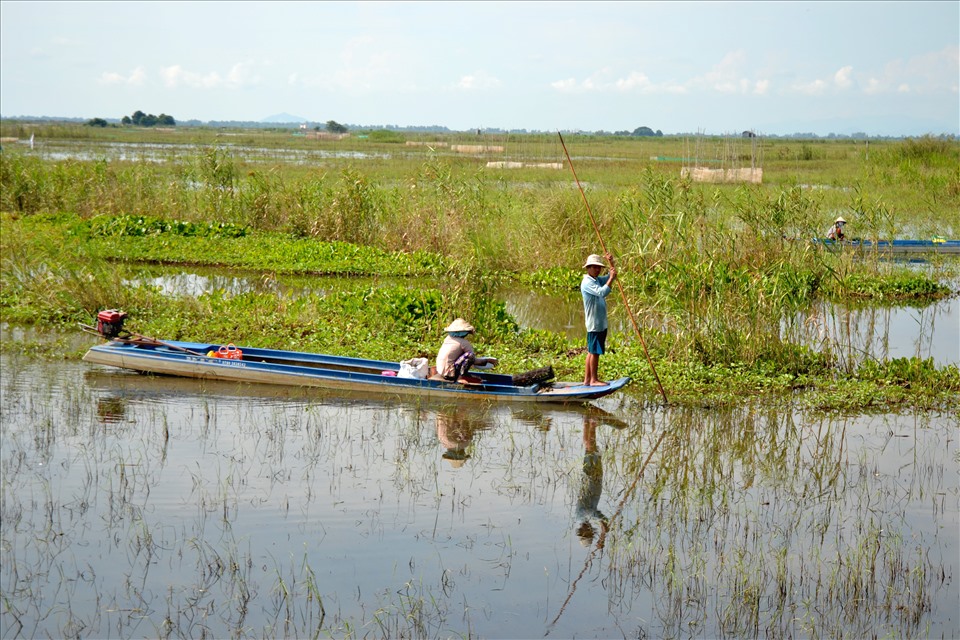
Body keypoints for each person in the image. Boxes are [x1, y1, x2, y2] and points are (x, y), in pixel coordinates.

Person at [580, 253, 617, 386]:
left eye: (599, 267)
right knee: (594, 352)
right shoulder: (587, 282)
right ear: (588, 268)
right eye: (594, 267)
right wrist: (611, 278)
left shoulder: (595, 279)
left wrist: (611, 263)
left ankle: (587, 380)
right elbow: (603, 292)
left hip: (599, 323)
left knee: (592, 351)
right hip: (594, 323)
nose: (597, 270)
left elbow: (611, 277)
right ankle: (593, 380)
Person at [434, 318, 499, 383]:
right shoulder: (464, 343)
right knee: (470, 355)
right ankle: (460, 377)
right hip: (449, 373)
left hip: (440, 370)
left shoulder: (447, 339)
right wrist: (488, 360)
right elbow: (474, 361)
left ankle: (460, 375)